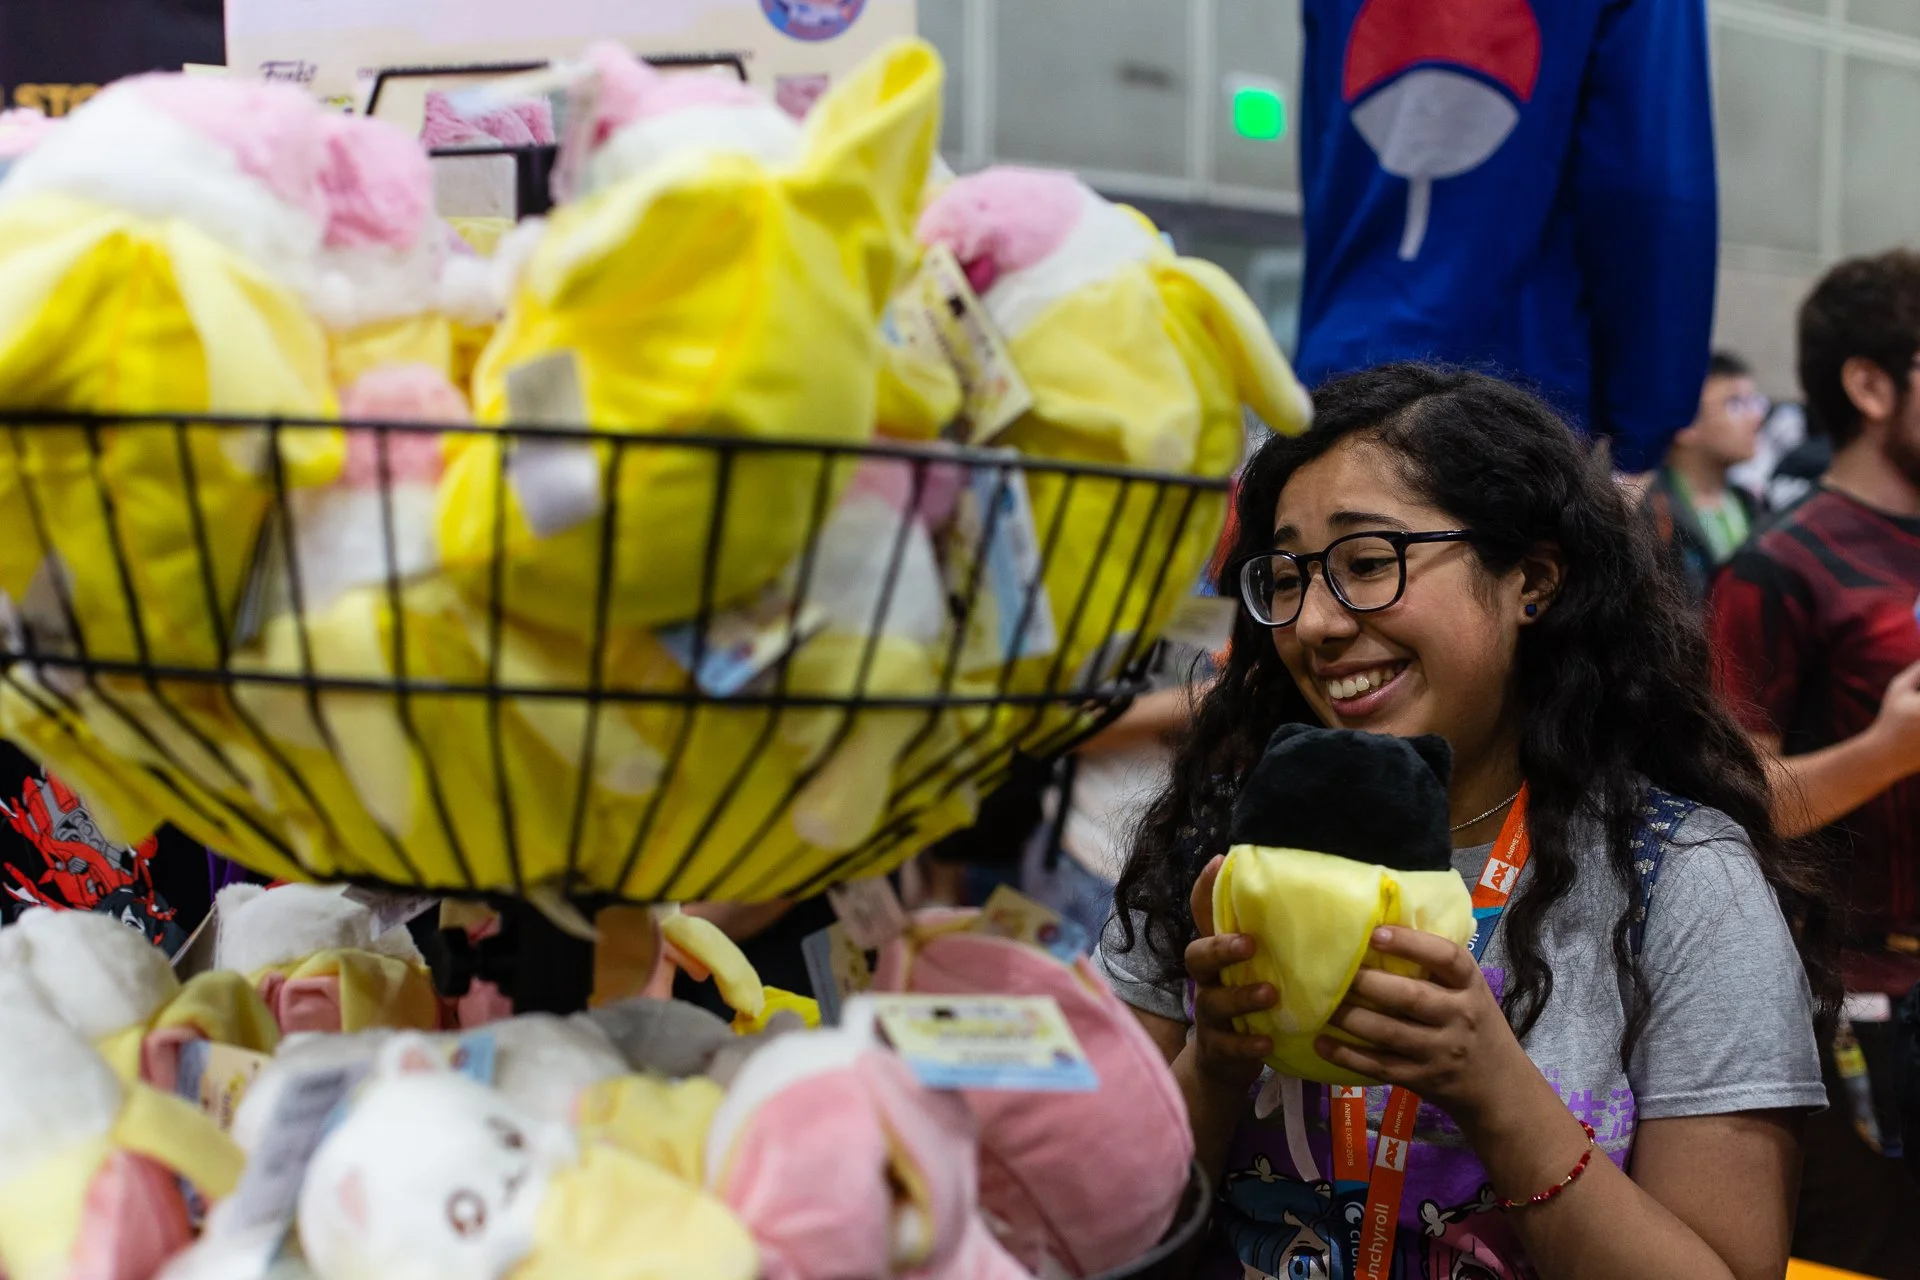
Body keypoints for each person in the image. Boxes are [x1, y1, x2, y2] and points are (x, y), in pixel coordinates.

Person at [1101, 364, 1836, 1280]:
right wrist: (1211, 1067)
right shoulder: (1213, 844)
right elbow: (1086, 1232)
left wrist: (1492, 1089)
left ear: (1532, 579)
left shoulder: (1680, 878)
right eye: (1285, 577)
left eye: (1368, 563)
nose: (1317, 622)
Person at [1710, 248, 1920, 1278]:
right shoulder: (1779, 565)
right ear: (1872, 384)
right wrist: (1888, 750)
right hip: (1856, 1005)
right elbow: (1732, 799)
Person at [1294, 0, 1716, 476]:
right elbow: (1652, 189)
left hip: (1336, 380)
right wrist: (1642, 432)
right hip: (1516, 402)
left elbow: (1325, 163)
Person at [1643, 351, 1766, 603]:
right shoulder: (1651, 512)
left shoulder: (1753, 504)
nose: (1756, 418)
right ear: (1685, 422)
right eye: (1735, 404)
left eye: (1755, 403)